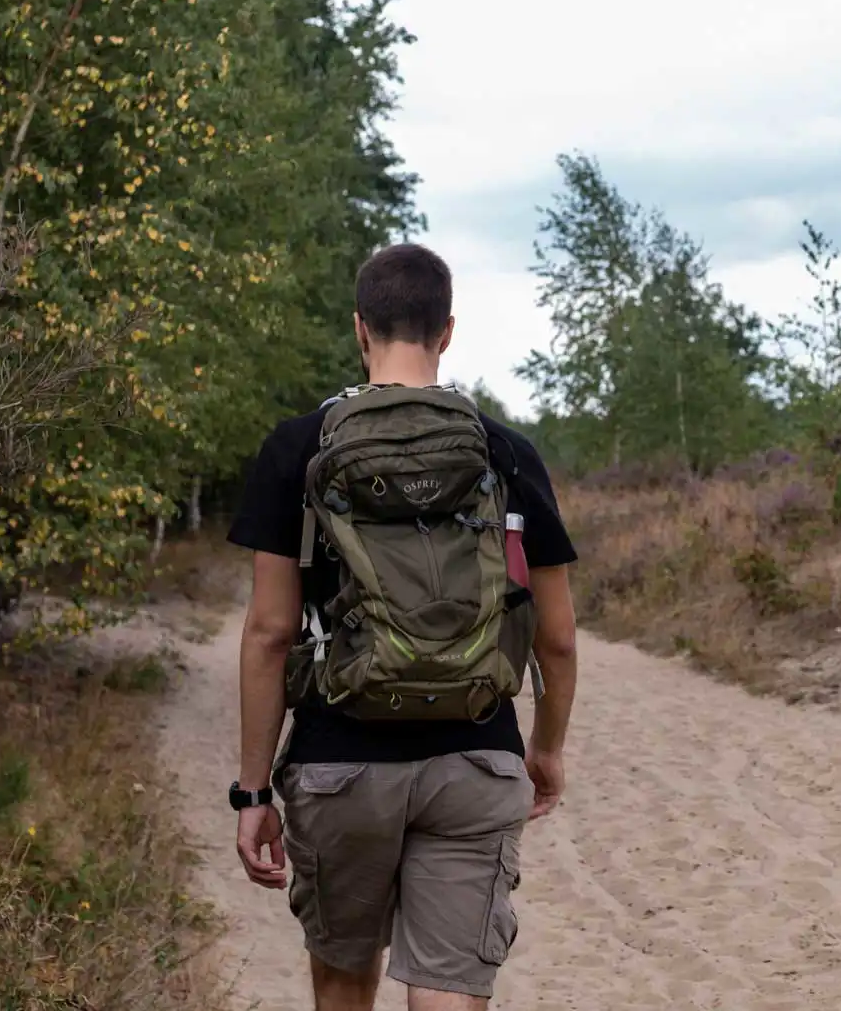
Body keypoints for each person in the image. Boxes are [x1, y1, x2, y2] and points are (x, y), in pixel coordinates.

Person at [224, 242, 579, 1010]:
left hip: (339, 760)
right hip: (476, 757)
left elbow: (269, 634)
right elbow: (556, 637)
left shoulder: (299, 448)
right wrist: (544, 749)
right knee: (450, 990)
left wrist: (252, 792)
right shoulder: (506, 452)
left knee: (345, 985)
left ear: (361, 329)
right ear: (447, 331)